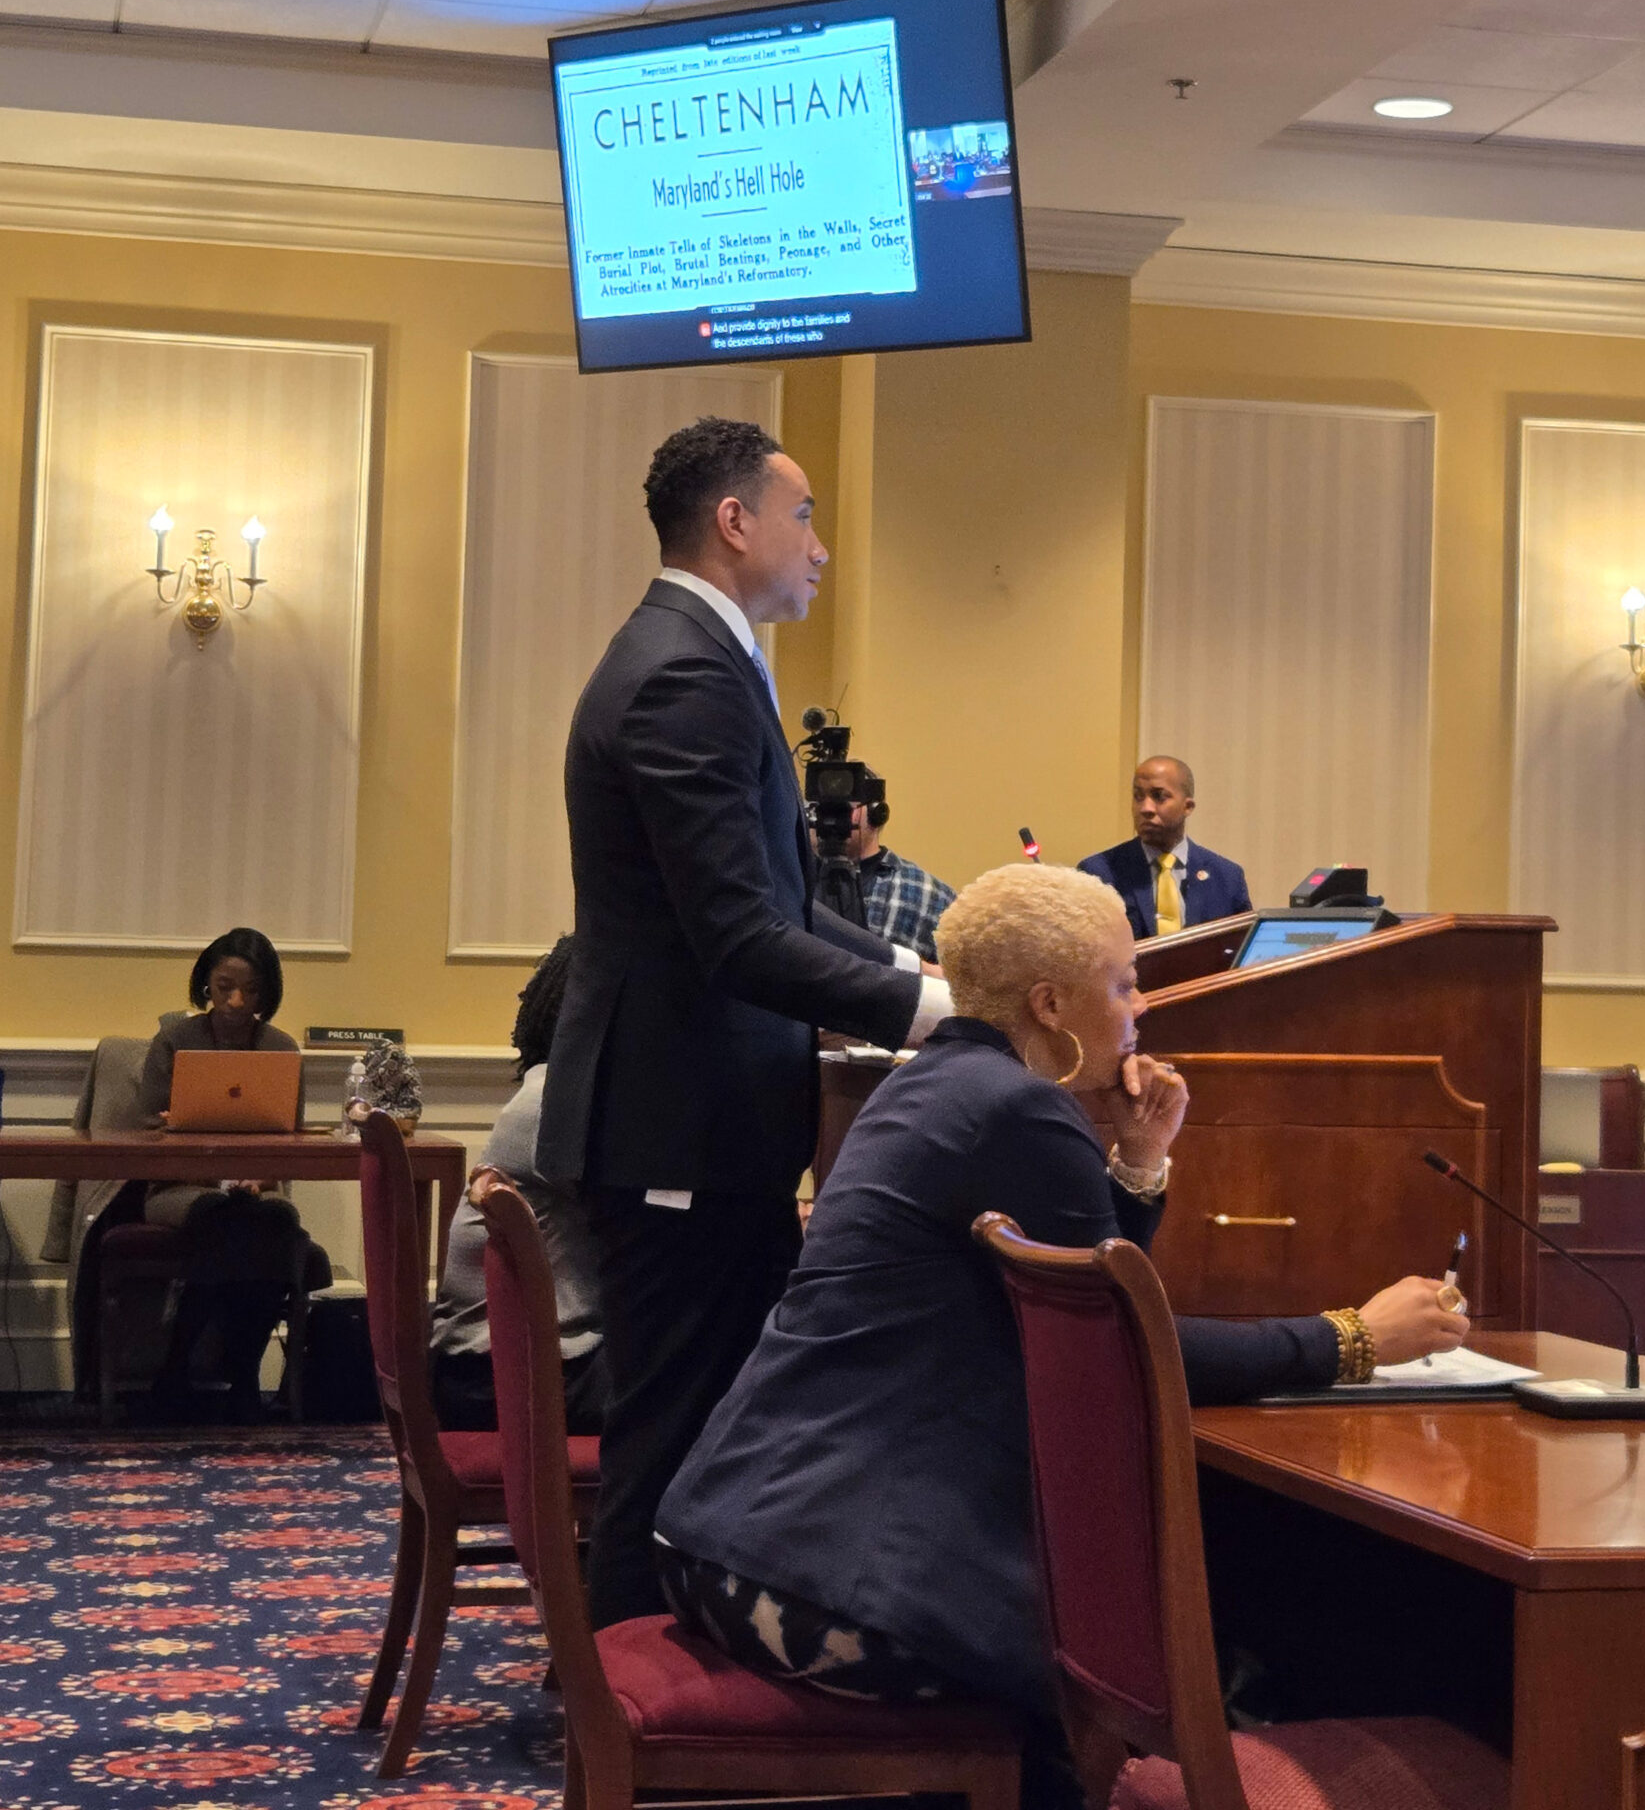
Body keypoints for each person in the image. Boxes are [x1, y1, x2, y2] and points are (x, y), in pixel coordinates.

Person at [654, 863, 1466, 1809]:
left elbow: (1087, 1302)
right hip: (831, 1591)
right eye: (1123, 984)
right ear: (1050, 1004)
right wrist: (1353, 1337)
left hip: (731, 1543)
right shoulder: (1018, 1108)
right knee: (1270, 1629)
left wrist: (1140, 1158)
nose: (1141, 1007)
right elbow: (1125, 1349)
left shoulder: (935, 1086)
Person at [543, 415, 952, 1628]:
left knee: (702, 1429)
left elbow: (777, 904)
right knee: (673, 1440)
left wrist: (905, 961)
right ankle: (621, 1704)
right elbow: (735, 940)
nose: (819, 547)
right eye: (804, 515)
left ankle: (644, 1690)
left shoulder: (698, 659)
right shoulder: (685, 673)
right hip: (679, 1129)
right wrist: (931, 1012)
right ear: (735, 521)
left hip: (689, 1123)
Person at [135, 927, 317, 1418]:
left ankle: (204, 1373)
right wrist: (173, 1125)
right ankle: (227, 1376)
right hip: (178, 1186)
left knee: (274, 1218)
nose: (237, 1002)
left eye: (252, 990)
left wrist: (260, 1177)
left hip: (257, 1185)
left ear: (267, 993)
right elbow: (144, 1124)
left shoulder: (281, 1049)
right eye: (225, 987)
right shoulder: (175, 1041)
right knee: (224, 1215)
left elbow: (289, 1139)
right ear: (206, 985)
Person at [429, 938, 606, 1434]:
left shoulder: (549, 1089)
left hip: (493, 1368)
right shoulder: (559, 1104)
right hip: (508, 1378)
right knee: (702, 1367)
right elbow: (648, 1220)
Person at [1077, 754, 1251, 940]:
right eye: (1138, 796)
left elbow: (1243, 948)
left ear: (1187, 807)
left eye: (1159, 797)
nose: (1145, 808)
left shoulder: (1226, 877)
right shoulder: (1099, 873)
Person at [849, 772, 958, 962]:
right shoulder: (795, 884)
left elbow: (961, 977)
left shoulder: (933, 896)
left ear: (876, 813)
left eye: (845, 807)